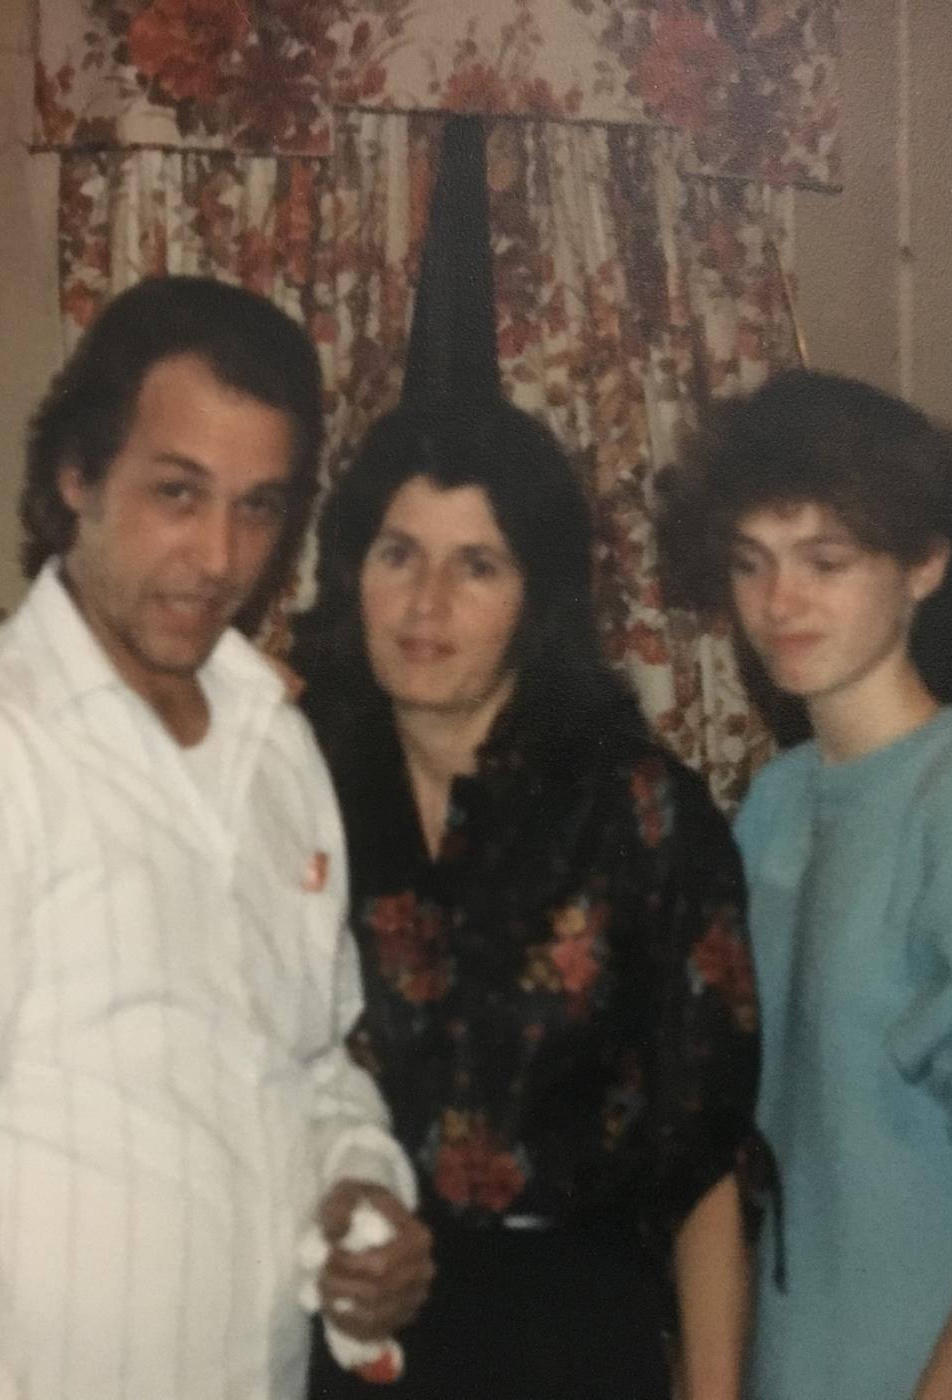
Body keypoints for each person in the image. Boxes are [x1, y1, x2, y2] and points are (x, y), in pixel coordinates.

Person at [0, 275, 433, 1400]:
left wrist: (357, 1186)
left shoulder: (277, 747)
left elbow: (309, 1059)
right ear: (77, 476)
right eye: (178, 493)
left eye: (259, 507)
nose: (219, 555)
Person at [291, 397, 766, 1400]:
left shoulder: (639, 814)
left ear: (534, 596)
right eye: (398, 554)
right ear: (351, 569)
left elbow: (703, 1162)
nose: (426, 604)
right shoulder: (292, 791)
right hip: (337, 1335)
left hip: (569, 1342)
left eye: (477, 565)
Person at [663, 369, 952, 1400]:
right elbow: (731, 1145)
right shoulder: (777, 804)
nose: (780, 601)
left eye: (826, 560)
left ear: (925, 565)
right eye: (752, 561)